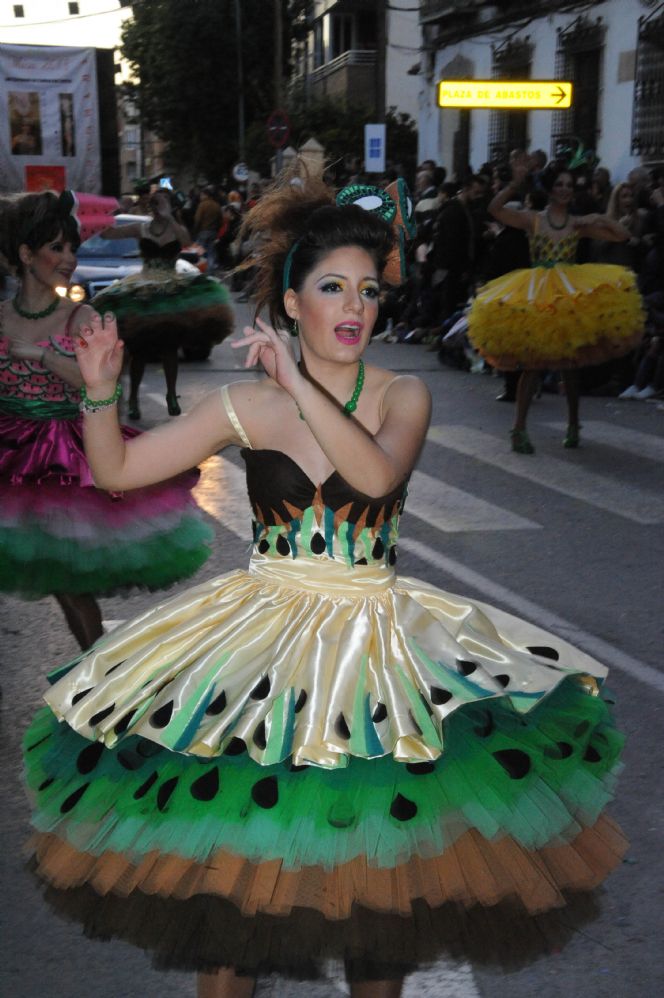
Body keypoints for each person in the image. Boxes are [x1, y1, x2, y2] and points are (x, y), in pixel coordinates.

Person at [24, 172, 626, 997]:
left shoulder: (403, 393)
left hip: (373, 655)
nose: (357, 306)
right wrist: (96, 390)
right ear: (292, 302)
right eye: (333, 287)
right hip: (258, 656)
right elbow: (118, 469)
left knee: (377, 922)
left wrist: (299, 385)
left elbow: (373, 477)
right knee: (228, 916)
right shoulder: (244, 405)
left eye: (370, 290)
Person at [0, 190, 214, 649]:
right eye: (57, 247)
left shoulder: (81, 316)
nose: (69, 258)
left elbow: (98, 386)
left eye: (72, 247)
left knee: (70, 586)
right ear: (25, 253)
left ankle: (98, 683)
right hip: (9, 451)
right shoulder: (0, 317)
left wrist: (40, 356)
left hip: (61, 456)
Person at [468, 154, 644, 453]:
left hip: (570, 295)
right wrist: (515, 183)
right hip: (538, 293)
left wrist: (600, 218)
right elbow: (495, 209)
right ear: (550, 189)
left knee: (570, 365)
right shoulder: (533, 218)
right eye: (560, 184)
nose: (565, 189)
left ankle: (574, 424)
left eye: (569, 185)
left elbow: (623, 235)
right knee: (533, 364)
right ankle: (519, 429)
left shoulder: (577, 223)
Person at [92, 189, 233, 419]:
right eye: (156, 201)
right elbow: (108, 235)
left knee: (169, 348)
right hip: (145, 290)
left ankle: (170, 394)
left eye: (164, 201)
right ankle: (134, 399)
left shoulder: (176, 228)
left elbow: (187, 242)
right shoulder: (142, 227)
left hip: (170, 292)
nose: (159, 205)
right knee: (138, 350)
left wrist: (170, 216)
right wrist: (108, 215)